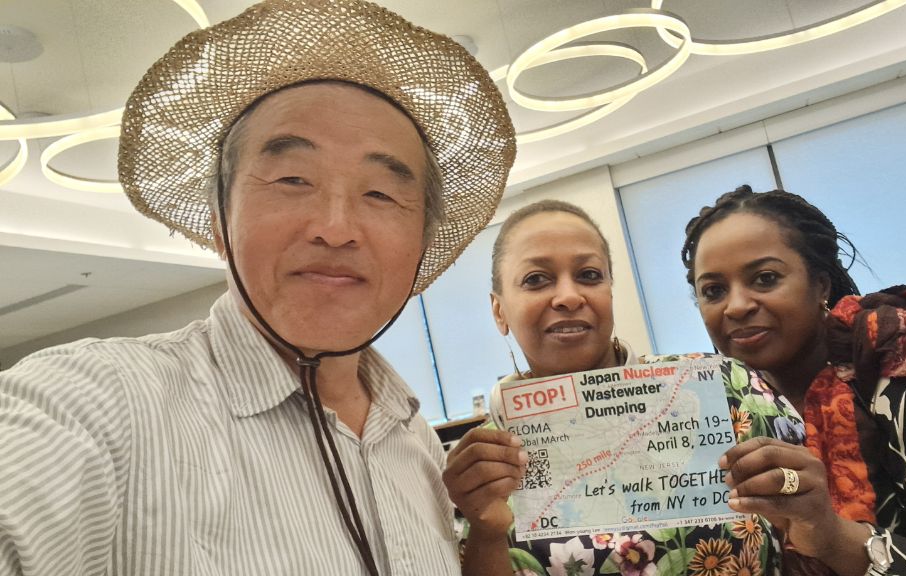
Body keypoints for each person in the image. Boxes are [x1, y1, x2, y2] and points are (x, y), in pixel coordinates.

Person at [0, 1, 516, 574]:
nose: (336, 228)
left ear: (421, 243)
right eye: (292, 179)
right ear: (220, 223)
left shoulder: (412, 438)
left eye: (380, 194)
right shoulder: (101, 403)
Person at [444, 199, 808, 576]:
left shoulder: (721, 385)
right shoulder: (486, 461)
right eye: (536, 279)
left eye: (589, 275)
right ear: (499, 310)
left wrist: (801, 506)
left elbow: (815, 528)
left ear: (610, 292)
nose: (569, 296)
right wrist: (486, 531)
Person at [681, 185, 906, 576]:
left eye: (765, 278)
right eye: (713, 291)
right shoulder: (719, 413)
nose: (737, 306)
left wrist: (835, 539)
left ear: (821, 285)